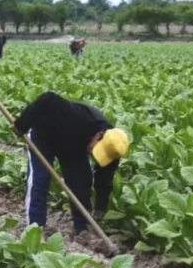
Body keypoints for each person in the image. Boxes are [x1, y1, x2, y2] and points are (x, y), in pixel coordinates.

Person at [12, 91, 129, 244]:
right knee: (40, 180)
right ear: (99, 135)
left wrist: (100, 207)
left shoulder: (113, 149)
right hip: (45, 135)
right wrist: (22, 124)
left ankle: (82, 228)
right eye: (96, 150)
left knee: (81, 182)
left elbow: (104, 180)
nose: (94, 155)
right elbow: (48, 98)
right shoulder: (77, 116)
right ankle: (35, 231)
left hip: (74, 146)